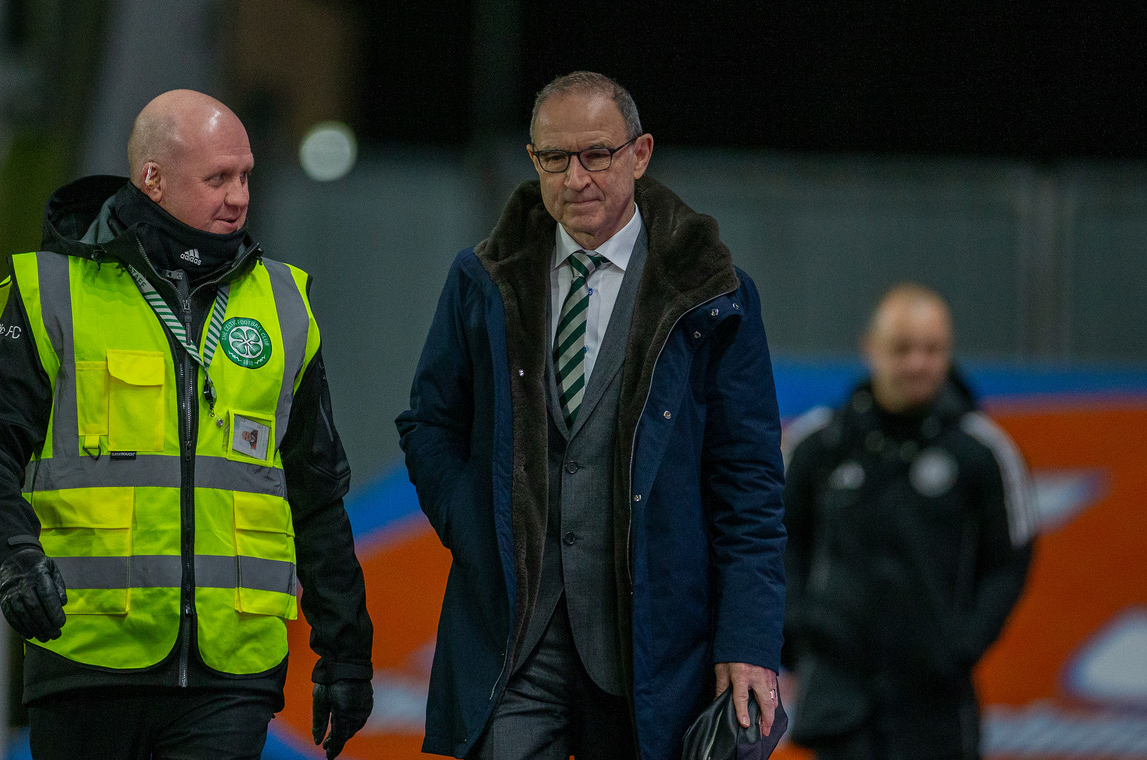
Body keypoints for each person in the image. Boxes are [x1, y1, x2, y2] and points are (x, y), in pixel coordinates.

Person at [0, 90, 373, 759]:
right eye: (218, 178)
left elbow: (316, 492)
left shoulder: (284, 305)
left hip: (232, 674)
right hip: (87, 660)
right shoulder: (54, 292)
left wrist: (345, 651)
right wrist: (14, 557)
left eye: (245, 176)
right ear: (153, 178)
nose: (239, 197)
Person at [396, 71, 787, 760]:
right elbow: (430, 424)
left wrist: (749, 640)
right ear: (533, 160)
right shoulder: (482, 279)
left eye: (597, 154)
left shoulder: (714, 296)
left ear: (640, 155)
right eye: (555, 158)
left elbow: (748, 481)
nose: (576, 178)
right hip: (514, 640)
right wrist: (473, 525)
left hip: (654, 644)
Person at [780, 283, 1036, 760]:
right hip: (839, 696)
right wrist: (798, 633)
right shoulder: (820, 442)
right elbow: (775, 541)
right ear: (870, 348)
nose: (918, 363)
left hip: (936, 703)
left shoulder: (981, 450)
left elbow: (1010, 561)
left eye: (932, 349)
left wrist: (961, 645)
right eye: (902, 348)